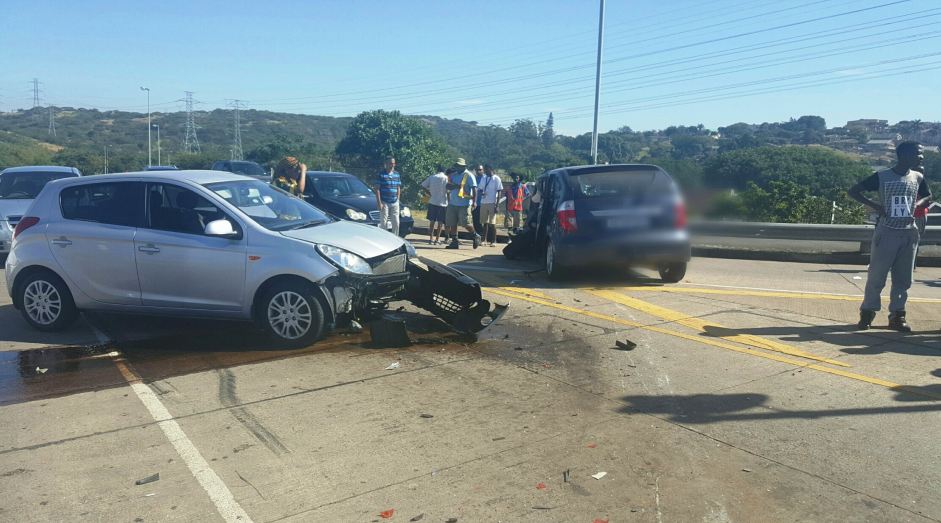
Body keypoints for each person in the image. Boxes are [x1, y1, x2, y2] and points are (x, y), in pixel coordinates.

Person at [848, 141, 930, 332]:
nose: (921, 157)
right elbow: (854, 191)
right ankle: (867, 313)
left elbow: (928, 196)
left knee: (903, 279)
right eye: (918, 153)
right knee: (877, 276)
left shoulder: (917, 177)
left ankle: (897, 315)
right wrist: (877, 207)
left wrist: (918, 204)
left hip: (908, 232)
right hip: (887, 232)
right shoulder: (882, 176)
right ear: (905, 155)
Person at [445, 158, 480, 249]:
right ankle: (454, 242)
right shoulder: (454, 175)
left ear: (463, 166)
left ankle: (475, 235)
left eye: (459, 166)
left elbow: (474, 188)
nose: (457, 167)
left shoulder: (468, 175)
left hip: (464, 203)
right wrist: (454, 186)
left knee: (465, 223)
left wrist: (475, 202)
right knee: (452, 223)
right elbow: (447, 186)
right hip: (453, 203)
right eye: (457, 165)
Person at [421, 165, 449, 244]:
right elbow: (448, 190)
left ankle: (431, 238)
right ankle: (437, 239)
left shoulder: (432, 177)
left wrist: (428, 192)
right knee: (440, 222)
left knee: (432, 221)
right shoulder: (446, 178)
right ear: (444, 170)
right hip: (442, 203)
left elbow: (423, 185)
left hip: (432, 201)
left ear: (437, 170)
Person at [374, 156, 401, 236]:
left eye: (393, 163)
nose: (392, 165)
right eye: (390, 163)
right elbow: (377, 189)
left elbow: (398, 187)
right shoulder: (381, 174)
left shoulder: (397, 174)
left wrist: (398, 199)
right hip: (384, 201)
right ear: (386, 164)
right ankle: (384, 238)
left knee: (396, 222)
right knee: (384, 222)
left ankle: (395, 238)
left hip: (395, 202)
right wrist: (379, 203)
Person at [477, 164, 503, 246]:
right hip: (484, 202)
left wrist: (497, 205)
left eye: (486, 170)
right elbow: (480, 189)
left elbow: (499, 192)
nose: (485, 171)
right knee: (484, 223)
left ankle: (493, 241)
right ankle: (483, 240)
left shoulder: (496, 178)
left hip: (492, 203)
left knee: (492, 223)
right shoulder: (484, 178)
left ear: (491, 169)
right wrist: (482, 193)